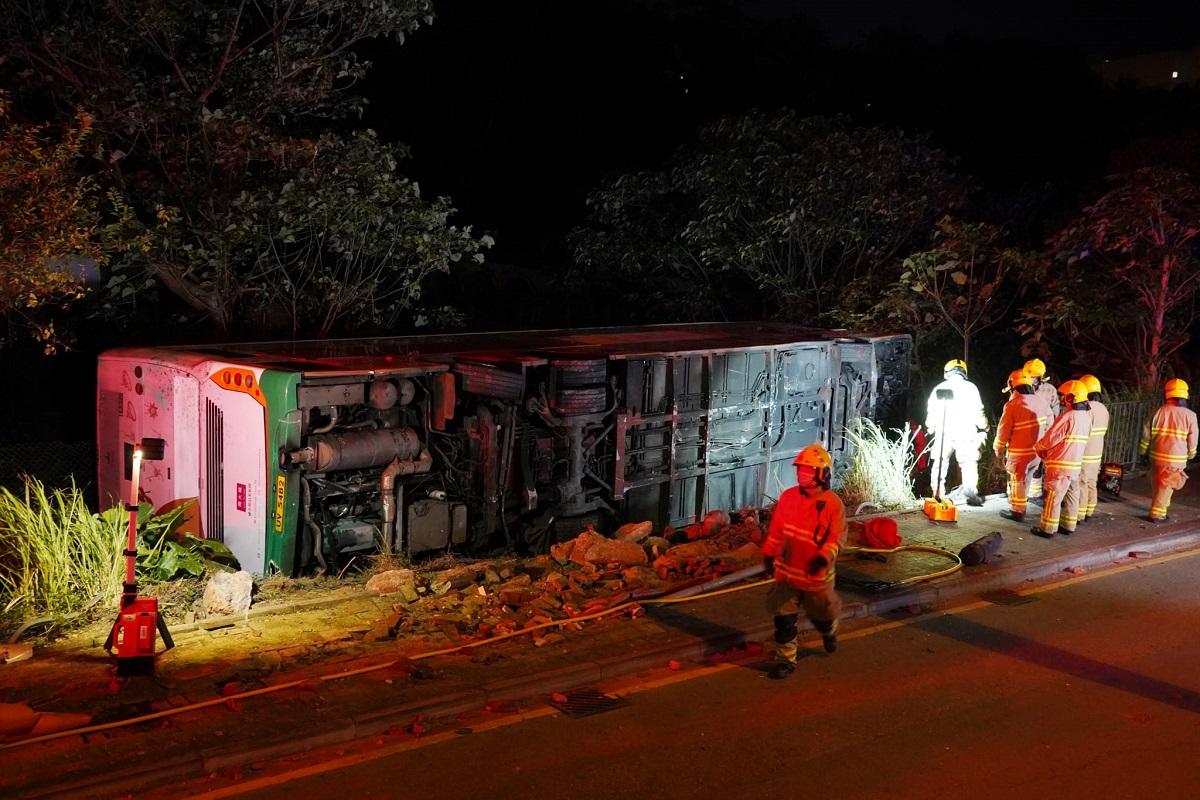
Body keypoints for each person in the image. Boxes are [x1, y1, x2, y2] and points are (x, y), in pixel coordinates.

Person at [762, 443, 845, 679]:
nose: (801, 473)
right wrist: (769, 554)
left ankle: (828, 631)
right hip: (787, 575)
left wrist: (823, 558)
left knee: (822, 617)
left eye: (808, 469)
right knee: (784, 621)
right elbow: (777, 531)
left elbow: (836, 537)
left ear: (822, 474)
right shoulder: (788, 498)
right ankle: (786, 660)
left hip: (816, 578)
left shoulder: (833, 504)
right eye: (800, 469)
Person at [1031, 380, 1092, 537]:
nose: (1063, 400)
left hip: (1060, 465)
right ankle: (1069, 526)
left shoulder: (1068, 416)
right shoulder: (1087, 416)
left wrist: (1038, 447)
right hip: (1075, 465)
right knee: (1072, 495)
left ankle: (1047, 529)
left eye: (1066, 396)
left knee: (1054, 497)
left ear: (1073, 398)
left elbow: (1051, 438)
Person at [925, 359, 988, 506]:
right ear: (963, 372)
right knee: (968, 464)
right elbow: (979, 411)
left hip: (943, 433)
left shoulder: (938, 388)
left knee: (940, 462)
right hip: (965, 433)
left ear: (947, 372)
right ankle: (971, 496)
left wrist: (931, 427)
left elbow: (931, 412)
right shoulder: (971, 388)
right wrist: (984, 426)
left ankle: (937, 494)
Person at [1138, 378, 1198, 523]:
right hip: (1175, 459)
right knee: (1166, 487)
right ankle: (1157, 515)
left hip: (1156, 457)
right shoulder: (1190, 415)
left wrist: (1143, 451)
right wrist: (1191, 453)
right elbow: (1193, 438)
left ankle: (1161, 509)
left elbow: (1146, 434)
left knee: (1159, 484)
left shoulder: (1157, 412)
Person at [993, 370, 1048, 521]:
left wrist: (998, 450)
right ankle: (1022, 506)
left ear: (1013, 386)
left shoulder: (1012, 405)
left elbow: (1003, 431)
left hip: (1019, 454)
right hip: (1037, 453)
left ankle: (1017, 511)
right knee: (1027, 479)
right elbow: (1049, 426)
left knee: (1017, 481)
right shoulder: (1042, 402)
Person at [1076, 374, 1108, 523]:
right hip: (1097, 453)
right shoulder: (1103, 409)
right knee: (1091, 482)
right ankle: (1089, 510)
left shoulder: (1087, 409)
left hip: (1085, 452)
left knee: (1081, 482)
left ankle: (1079, 514)